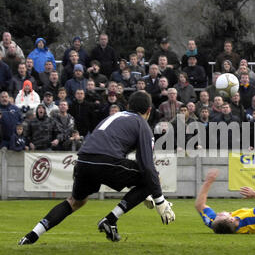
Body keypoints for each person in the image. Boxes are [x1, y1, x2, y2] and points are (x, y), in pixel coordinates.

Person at [18, 91, 175, 245]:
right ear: (148, 111)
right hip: (107, 161)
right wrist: (159, 201)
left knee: (75, 201)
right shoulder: (142, 125)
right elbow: (147, 166)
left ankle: (32, 235)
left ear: (128, 105)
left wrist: (144, 191)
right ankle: (110, 219)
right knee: (154, 178)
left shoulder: (114, 116)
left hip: (84, 160)